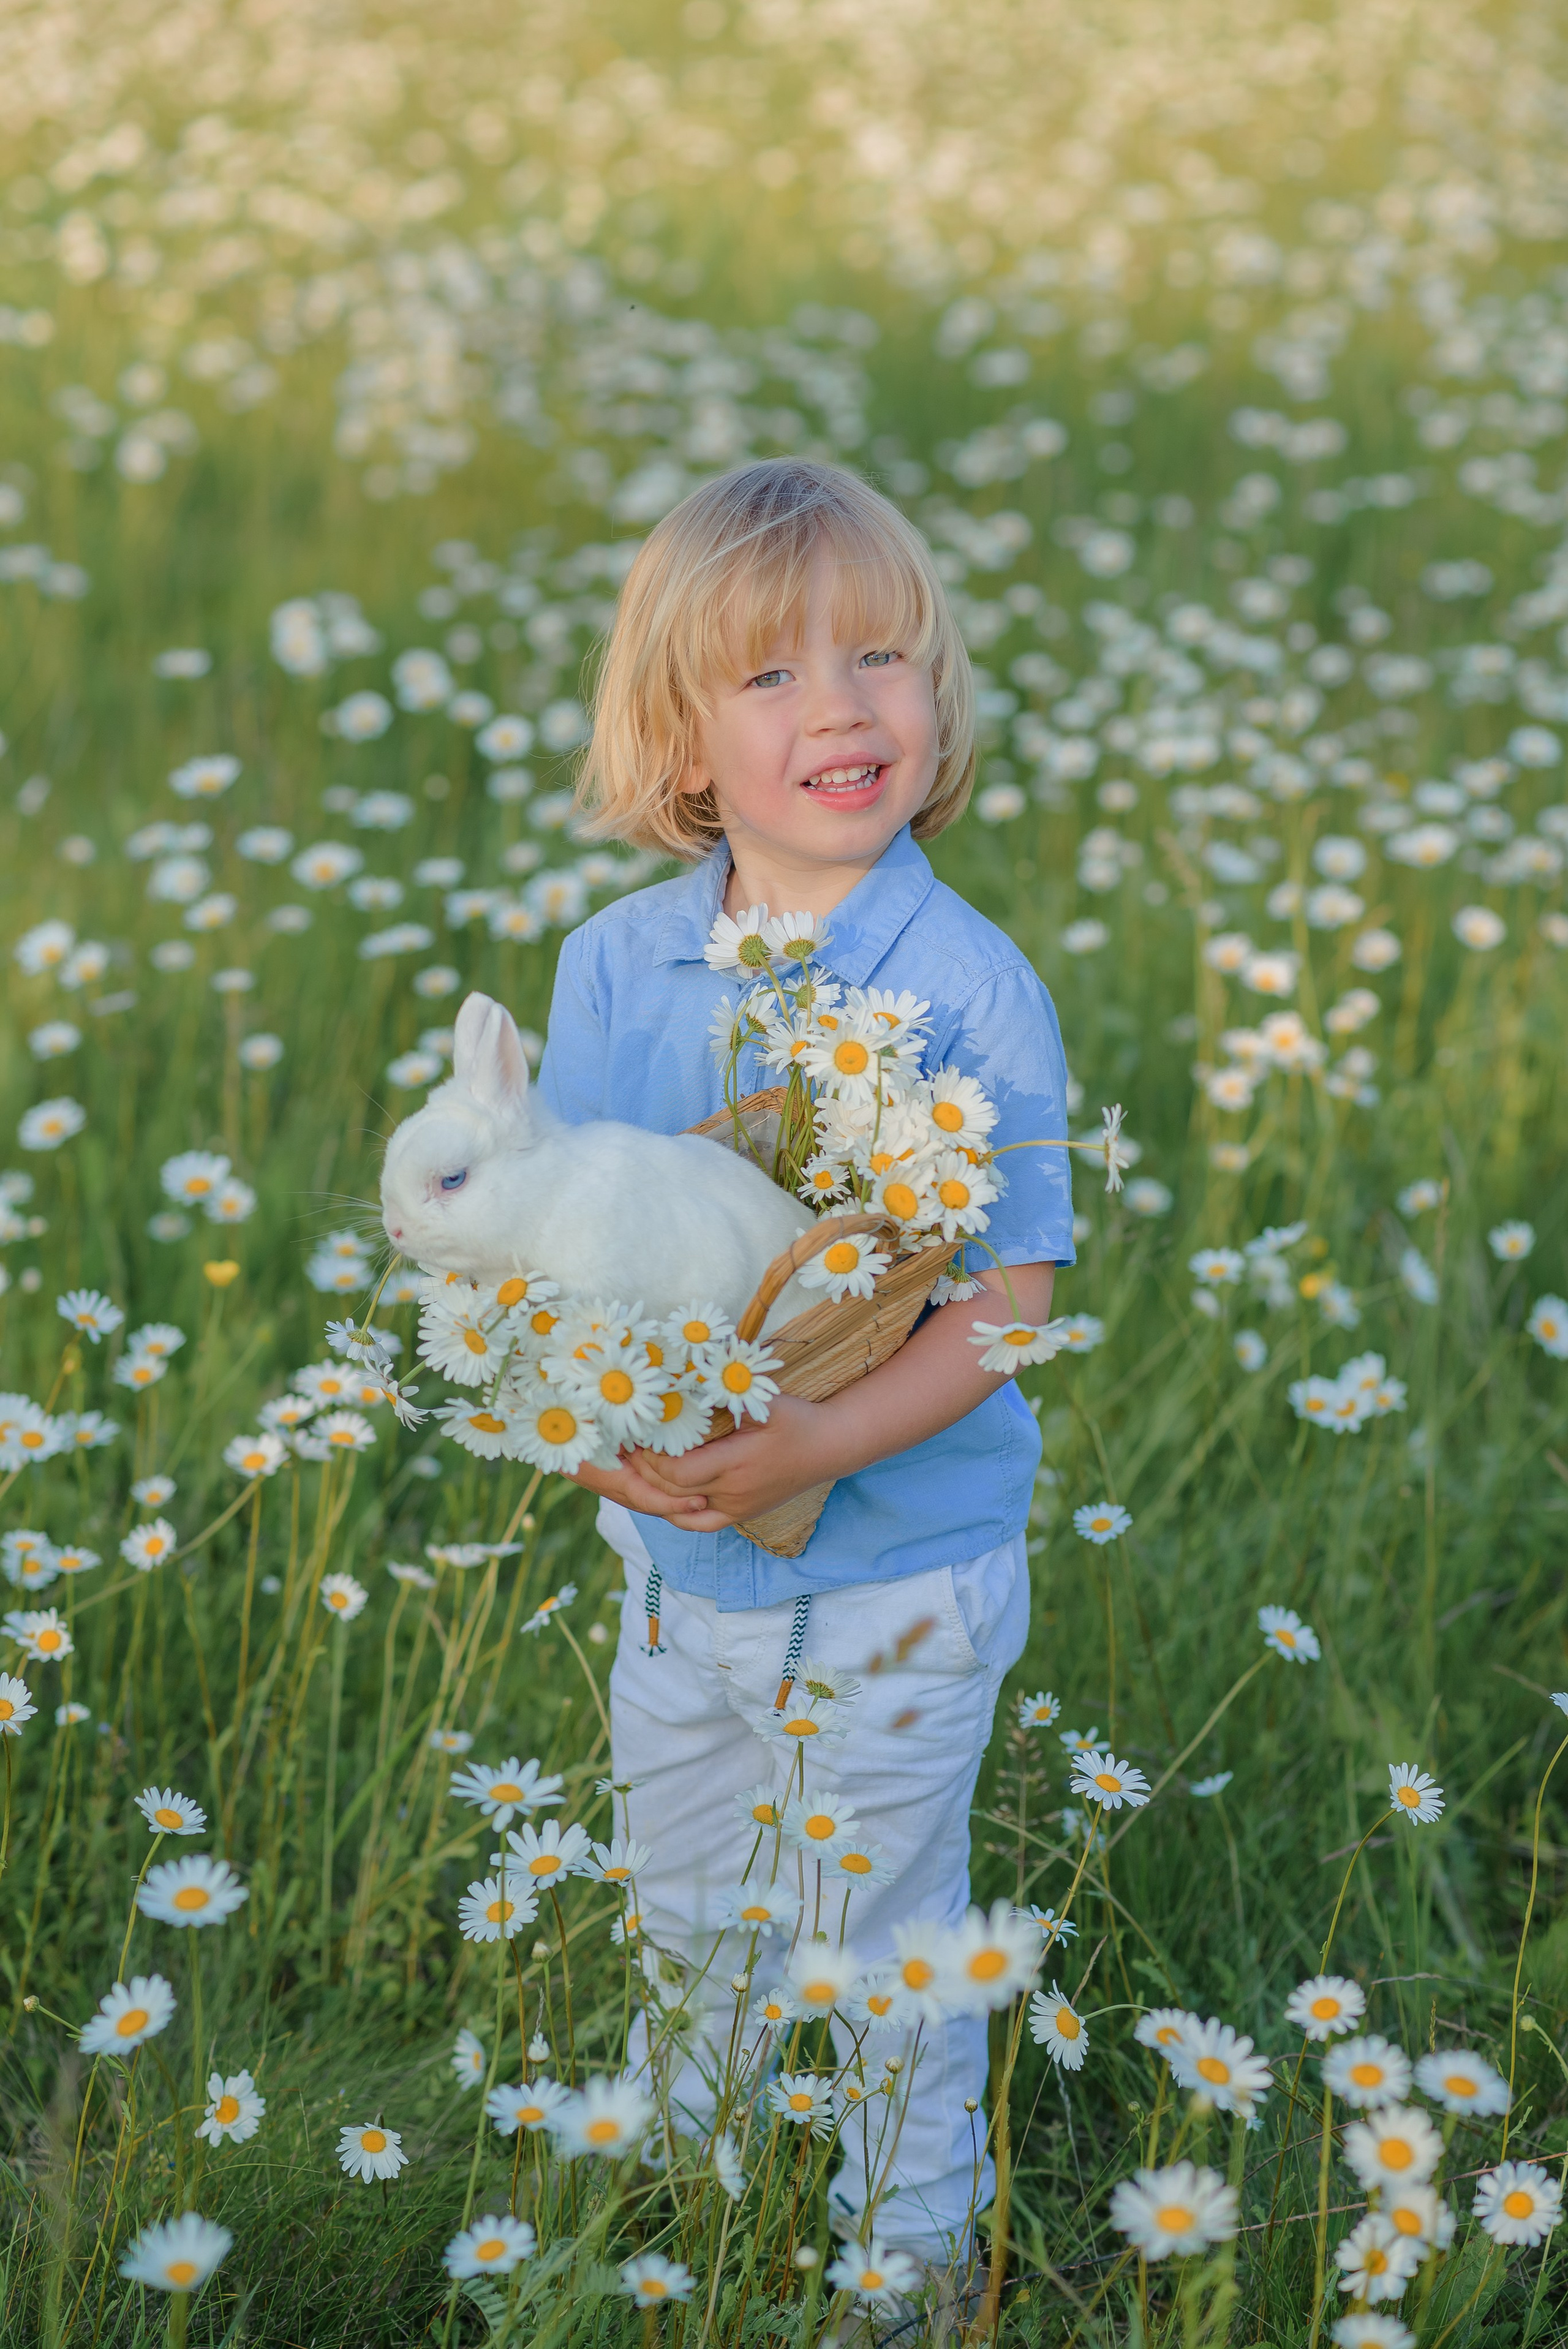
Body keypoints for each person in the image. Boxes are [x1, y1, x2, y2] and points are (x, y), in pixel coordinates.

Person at [536, 457, 1074, 2275]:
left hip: (899, 1581)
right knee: (686, 1896)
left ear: (936, 696)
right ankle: (682, 2189)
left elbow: (1009, 1300)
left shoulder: (969, 984)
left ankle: (908, 2258)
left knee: (887, 1933)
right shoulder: (616, 967)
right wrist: (603, 1441)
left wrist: (821, 1434)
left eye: (882, 657)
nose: (842, 704)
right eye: (771, 675)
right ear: (683, 745)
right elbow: (576, 1248)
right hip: (676, 1564)